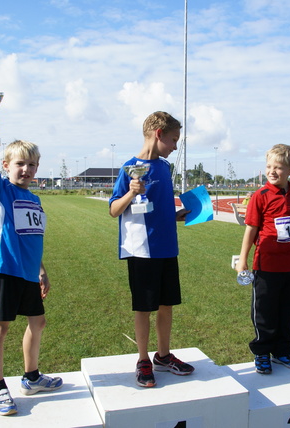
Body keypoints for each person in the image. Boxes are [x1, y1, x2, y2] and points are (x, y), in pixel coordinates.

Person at [0, 114, 62, 416]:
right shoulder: (0, 190)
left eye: (31, 165)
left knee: (37, 322)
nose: (26, 169)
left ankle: (31, 377)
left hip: (29, 273)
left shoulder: (36, 200)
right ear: (6, 167)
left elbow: (31, 239)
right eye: (19, 164)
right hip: (4, 270)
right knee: (0, 327)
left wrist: (41, 270)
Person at [109, 111, 194, 388]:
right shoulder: (129, 168)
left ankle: (164, 355)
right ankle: (143, 359)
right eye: (173, 140)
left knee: (166, 305)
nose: (175, 146)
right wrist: (131, 193)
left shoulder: (164, 169)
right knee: (144, 308)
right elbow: (113, 210)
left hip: (167, 247)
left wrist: (176, 215)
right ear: (159, 135)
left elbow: (158, 207)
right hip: (141, 250)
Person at [235, 144, 290, 375]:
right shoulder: (260, 196)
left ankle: (283, 351)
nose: (272, 171)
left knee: (288, 310)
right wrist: (243, 259)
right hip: (266, 266)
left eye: (278, 167)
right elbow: (250, 229)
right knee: (265, 311)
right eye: (269, 166)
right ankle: (262, 352)